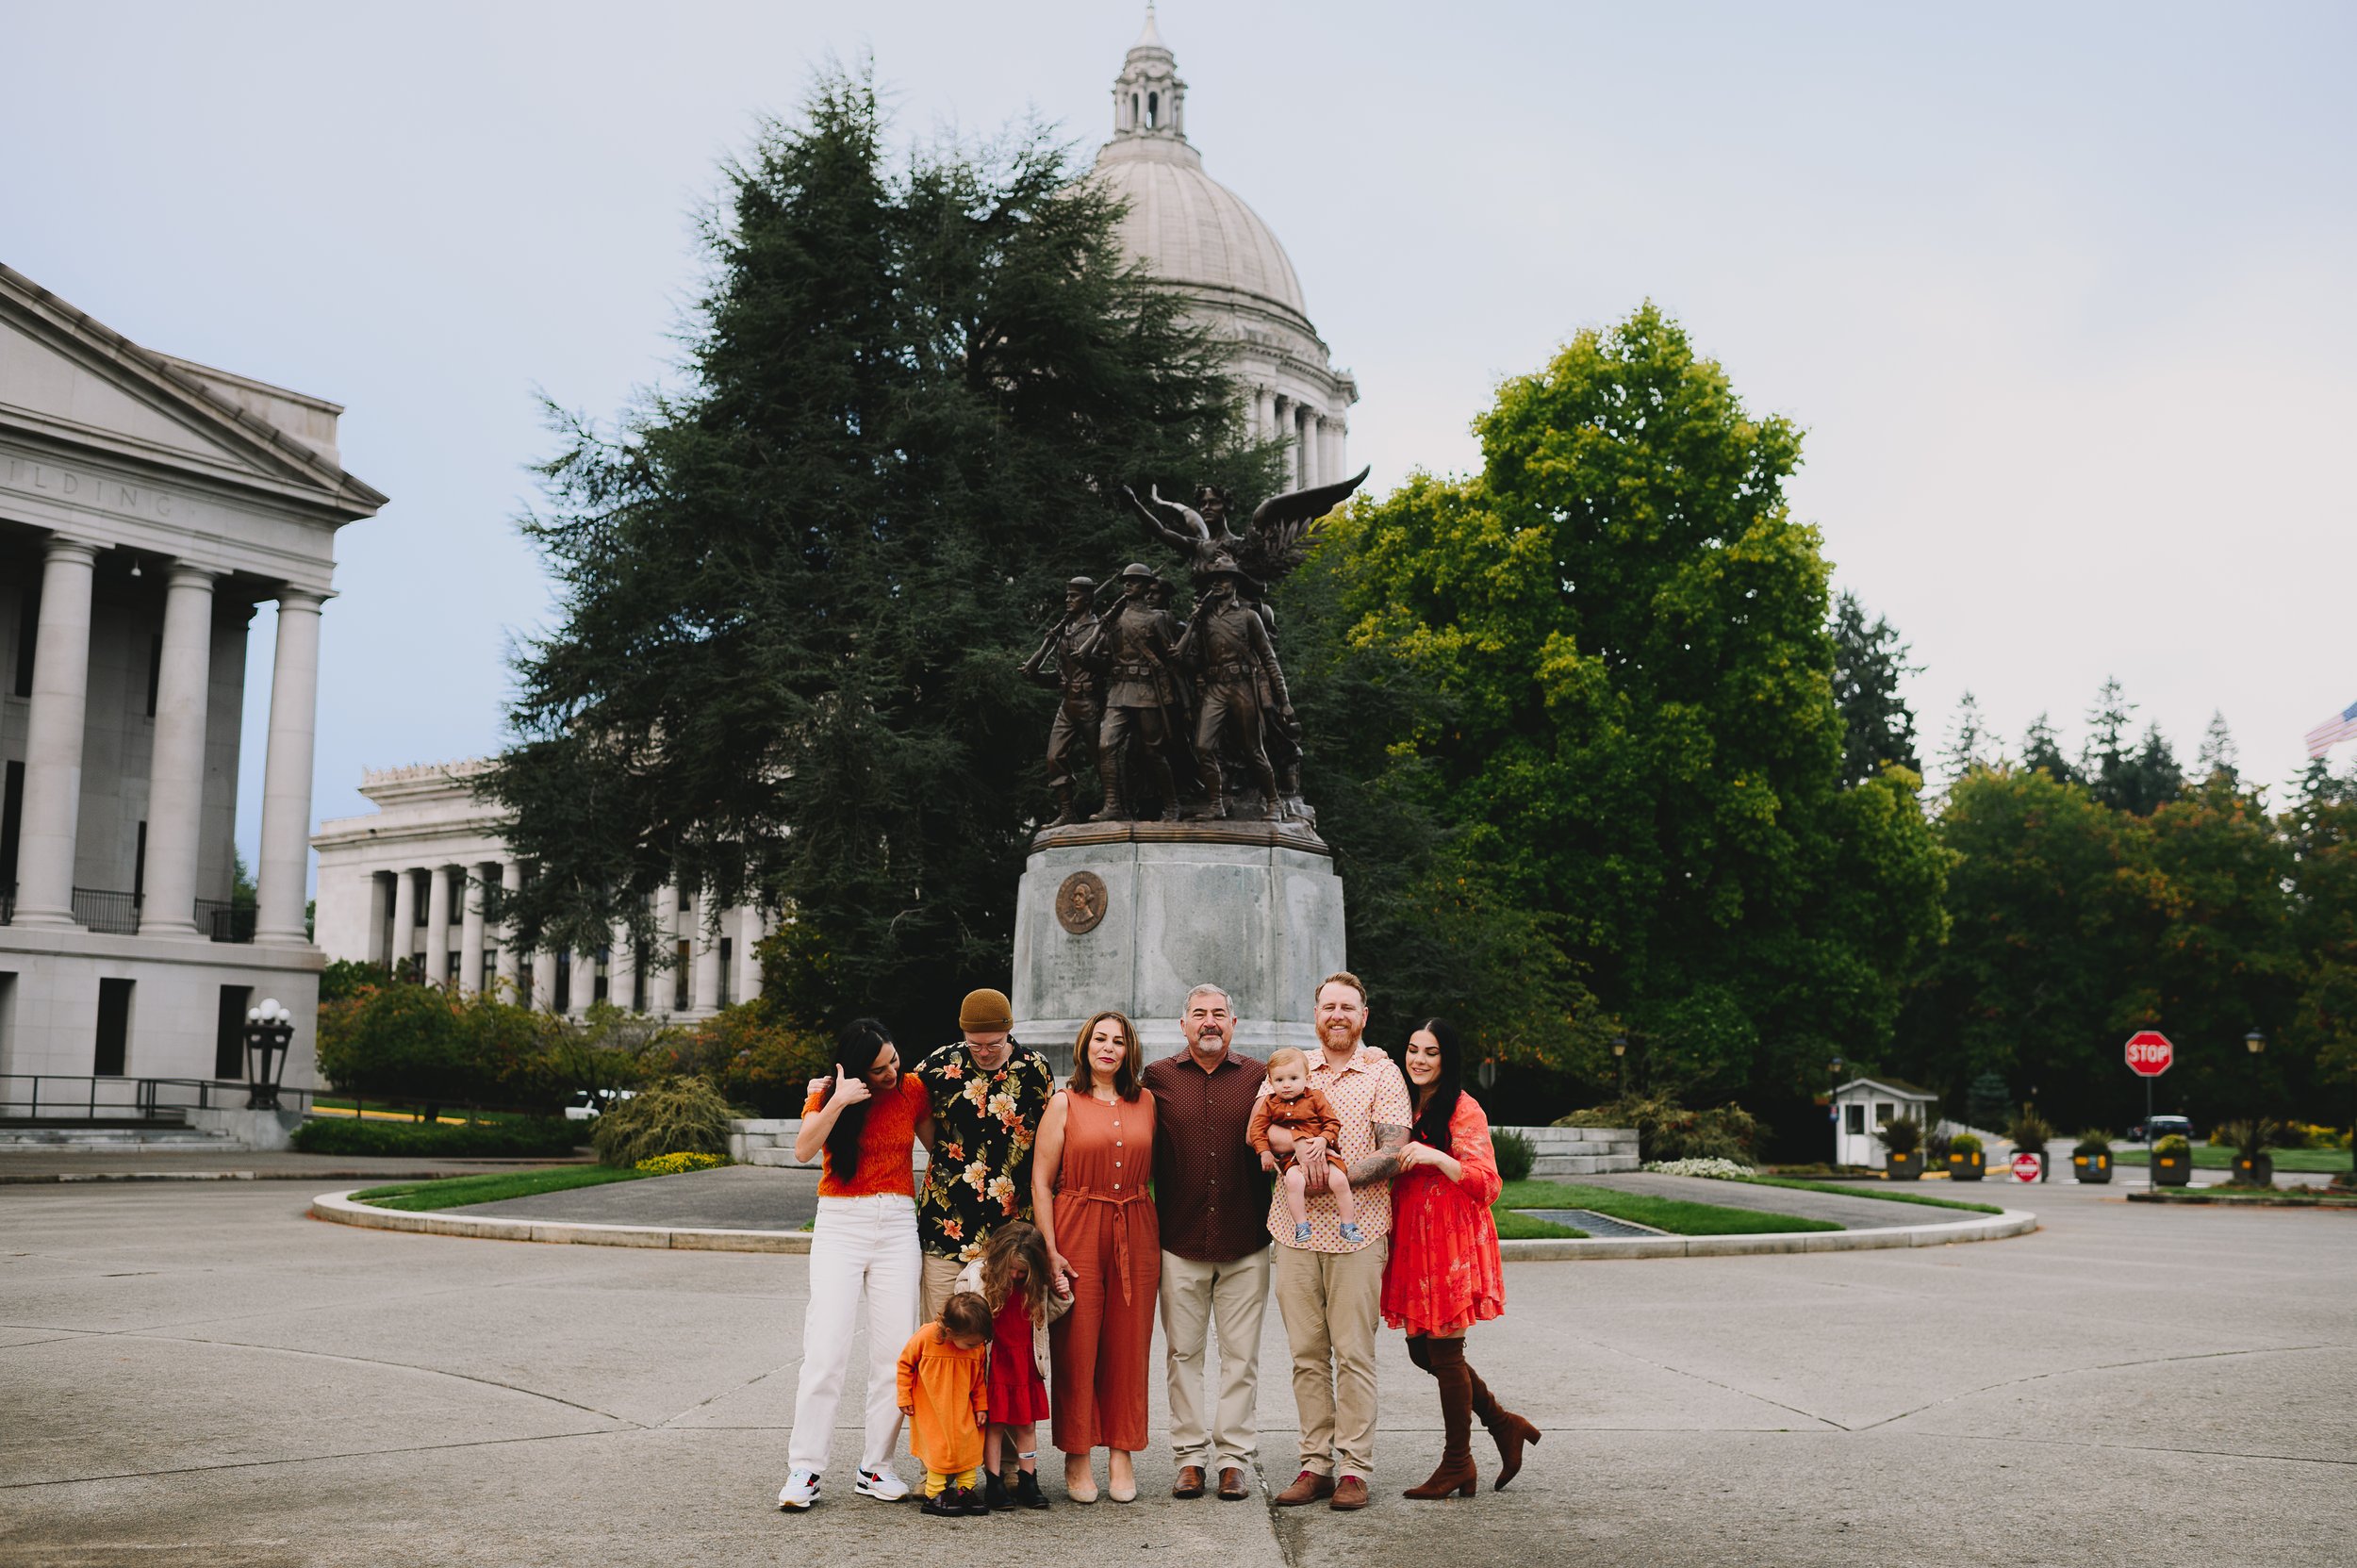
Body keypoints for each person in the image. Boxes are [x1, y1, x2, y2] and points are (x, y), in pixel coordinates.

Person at [1264, 972, 1411, 1512]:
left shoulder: (1383, 1072)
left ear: (1363, 1017)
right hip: (1296, 1232)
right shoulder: (1290, 1069)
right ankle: (1315, 1465)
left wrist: (1332, 1171)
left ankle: (1354, 1467)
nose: (1338, 1015)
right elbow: (1262, 1126)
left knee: (1353, 1354)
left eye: (1348, 1007)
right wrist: (1301, 1147)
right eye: (1329, 1006)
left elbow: (1394, 1149)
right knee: (1306, 1354)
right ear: (1316, 1014)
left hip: (1358, 1232)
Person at [776, 1018, 931, 1512]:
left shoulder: (912, 1089)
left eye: (894, 1061)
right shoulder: (827, 1094)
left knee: (894, 1353)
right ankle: (805, 1469)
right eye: (879, 1068)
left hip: (897, 1223)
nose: (891, 1072)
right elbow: (803, 1149)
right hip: (841, 1222)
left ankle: (876, 1465)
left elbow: (940, 1149)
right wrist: (840, 1099)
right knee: (825, 1351)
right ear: (856, 1067)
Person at [1384, 1017, 1541, 1497]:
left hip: (1451, 1240)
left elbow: (1487, 1183)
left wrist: (1436, 1158)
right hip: (1412, 1238)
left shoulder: (1463, 1107)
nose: (1418, 1060)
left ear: (1446, 1059)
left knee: (1446, 1351)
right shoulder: (1403, 1101)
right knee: (1420, 1348)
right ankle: (1501, 1422)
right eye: (1412, 1050)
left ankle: (1458, 1464)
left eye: (1430, 1053)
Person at [1143, 982, 1272, 1504]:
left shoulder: (1260, 1079)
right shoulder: (1157, 1079)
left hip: (1246, 1238)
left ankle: (1233, 1460)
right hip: (1179, 1239)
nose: (1210, 1022)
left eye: (1219, 1014)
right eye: (1200, 1014)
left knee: (1242, 1357)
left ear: (1234, 1024)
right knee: (1182, 1354)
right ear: (1184, 1025)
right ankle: (1190, 1458)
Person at [1031, 1010, 1160, 1504]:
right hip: (1077, 1224)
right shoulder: (1064, 1103)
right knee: (1078, 1344)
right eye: (1100, 1039)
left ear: (1130, 1051)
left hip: (1137, 1225)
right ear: (1086, 1046)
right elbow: (1042, 1183)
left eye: (1119, 1041)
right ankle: (1078, 1453)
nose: (1109, 1048)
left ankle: (1123, 1453)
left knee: (1130, 1345)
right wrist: (1050, 1248)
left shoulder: (1146, 1101)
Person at [911, 988, 1060, 1322]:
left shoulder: (1034, 1068)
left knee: (1000, 1332)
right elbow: (907, 1104)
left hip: (1010, 1228)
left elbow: (1048, 1135)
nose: (984, 1052)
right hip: (946, 1223)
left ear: (1009, 1030)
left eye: (993, 1044)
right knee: (942, 1327)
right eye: (974, 1044)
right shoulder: (940, 1065)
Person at [952, 1219, 1069, 1511]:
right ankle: (994, 1481)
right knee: (995, 1425)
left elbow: (1051, 1312)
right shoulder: (977, 1274)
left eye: (1022, 1271)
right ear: (998, 1258)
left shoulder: (1035, 1283)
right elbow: (961, 1304)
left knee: (1026, 1425)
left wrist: (1062, 1291)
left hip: (1026, 1361)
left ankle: (1028, 1479)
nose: (1016, 1275)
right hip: (996, 1361)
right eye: (1012, 1269)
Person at [1251, 1047, 1366, 1246]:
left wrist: (1323, 1139)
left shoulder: (1315, 1097)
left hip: (1322, 1151)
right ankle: (1301, 1225)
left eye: (1293, 1078)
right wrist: (1265, 1152)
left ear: (1307, 1078)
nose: (1286, 1085)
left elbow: (1332, 1123)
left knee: (1339, 1180)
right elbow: (1256, 1130)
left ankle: (1348, 1224)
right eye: (1279, 1080)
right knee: (1293, 1182)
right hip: (1291, 1158)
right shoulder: (1270, 1104)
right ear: (1270, 1083)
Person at [896, 1291, 995, 1518]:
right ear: (950, 1331)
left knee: (969, 1452)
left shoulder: (975, 1346)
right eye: (971, 1342)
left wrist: (981, 1406)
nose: (976, 1346)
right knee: (939, 1454)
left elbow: (979, 1378)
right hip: (932, 1410)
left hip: (963, 1410)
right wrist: (904, 1396)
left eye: (980, 1342)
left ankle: (965, 1492)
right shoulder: (926, 1337)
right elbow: (904, 1365)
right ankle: (934, 1495)